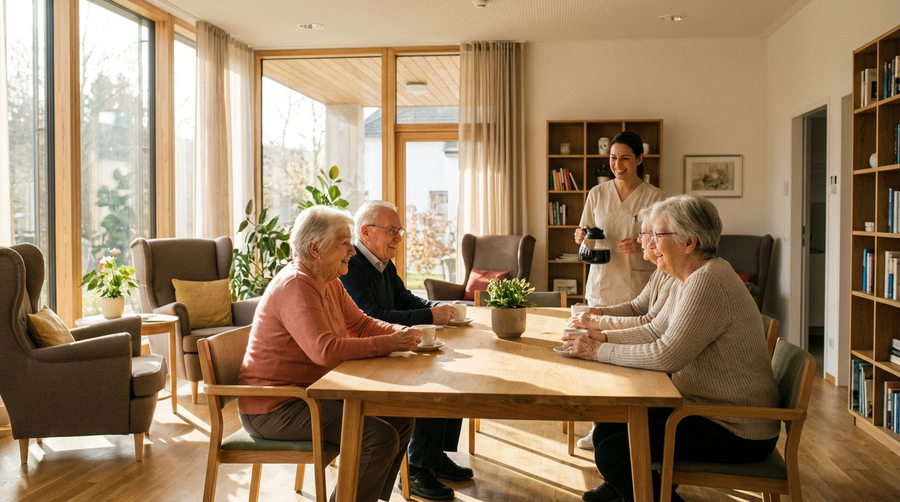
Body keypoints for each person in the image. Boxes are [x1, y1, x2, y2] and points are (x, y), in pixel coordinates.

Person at [561, 195, 780, 502]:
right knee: (606, 431)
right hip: (702, 408)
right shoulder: (690, 277)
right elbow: (653, 328)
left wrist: (596, 350)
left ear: (689, 242)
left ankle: (644, 492)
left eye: (657, 235)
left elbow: (667, 353)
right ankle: (635, 491)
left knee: (613, 453)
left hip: (736, 426)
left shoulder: (707, 281)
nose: (648, 243)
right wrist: (599, 338)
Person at [237, 205, 421, 502]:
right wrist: (390, 343)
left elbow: (361, 323)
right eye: (344, 243)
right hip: (277, 406)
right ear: (315, 248)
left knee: (400, 419)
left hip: (310, 394)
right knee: (378, 438)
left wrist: (398, 334)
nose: (352, 250)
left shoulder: (330, 281)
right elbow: (325, 351)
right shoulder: (296, 284)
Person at [340, 200, 471, 501]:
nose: (399, 237)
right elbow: (370, 317)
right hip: (365, 356)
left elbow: (407, 300)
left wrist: (437, 307)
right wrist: (429, 317)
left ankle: (433, 457)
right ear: (366, 232)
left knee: (449, 375)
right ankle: (414, 469)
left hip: (387, 346)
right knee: (432, 379)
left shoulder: (384, 265)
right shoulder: (352, 267)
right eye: (392, 231)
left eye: (399, 230)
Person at [567, 205, 676, 451]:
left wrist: (598, 336)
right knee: (604, 435)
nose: (640, 240)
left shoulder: (685, 280)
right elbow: (638, 308)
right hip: (681, 395)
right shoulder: (663, 273)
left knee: (608, 447)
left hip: (692, 407)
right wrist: (597, 313)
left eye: (648, 235)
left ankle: (649, 487)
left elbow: (653, 331)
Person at [576, 131, 665, 308]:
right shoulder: (597, 193)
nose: (617, 164)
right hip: (600, 288)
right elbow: (587, 237)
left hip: (638, 289)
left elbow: (664, 242)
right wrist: (582, 237)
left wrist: (641, 244)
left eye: (625, 158)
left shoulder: (655, 197)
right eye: (613, 158)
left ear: (639, 159)